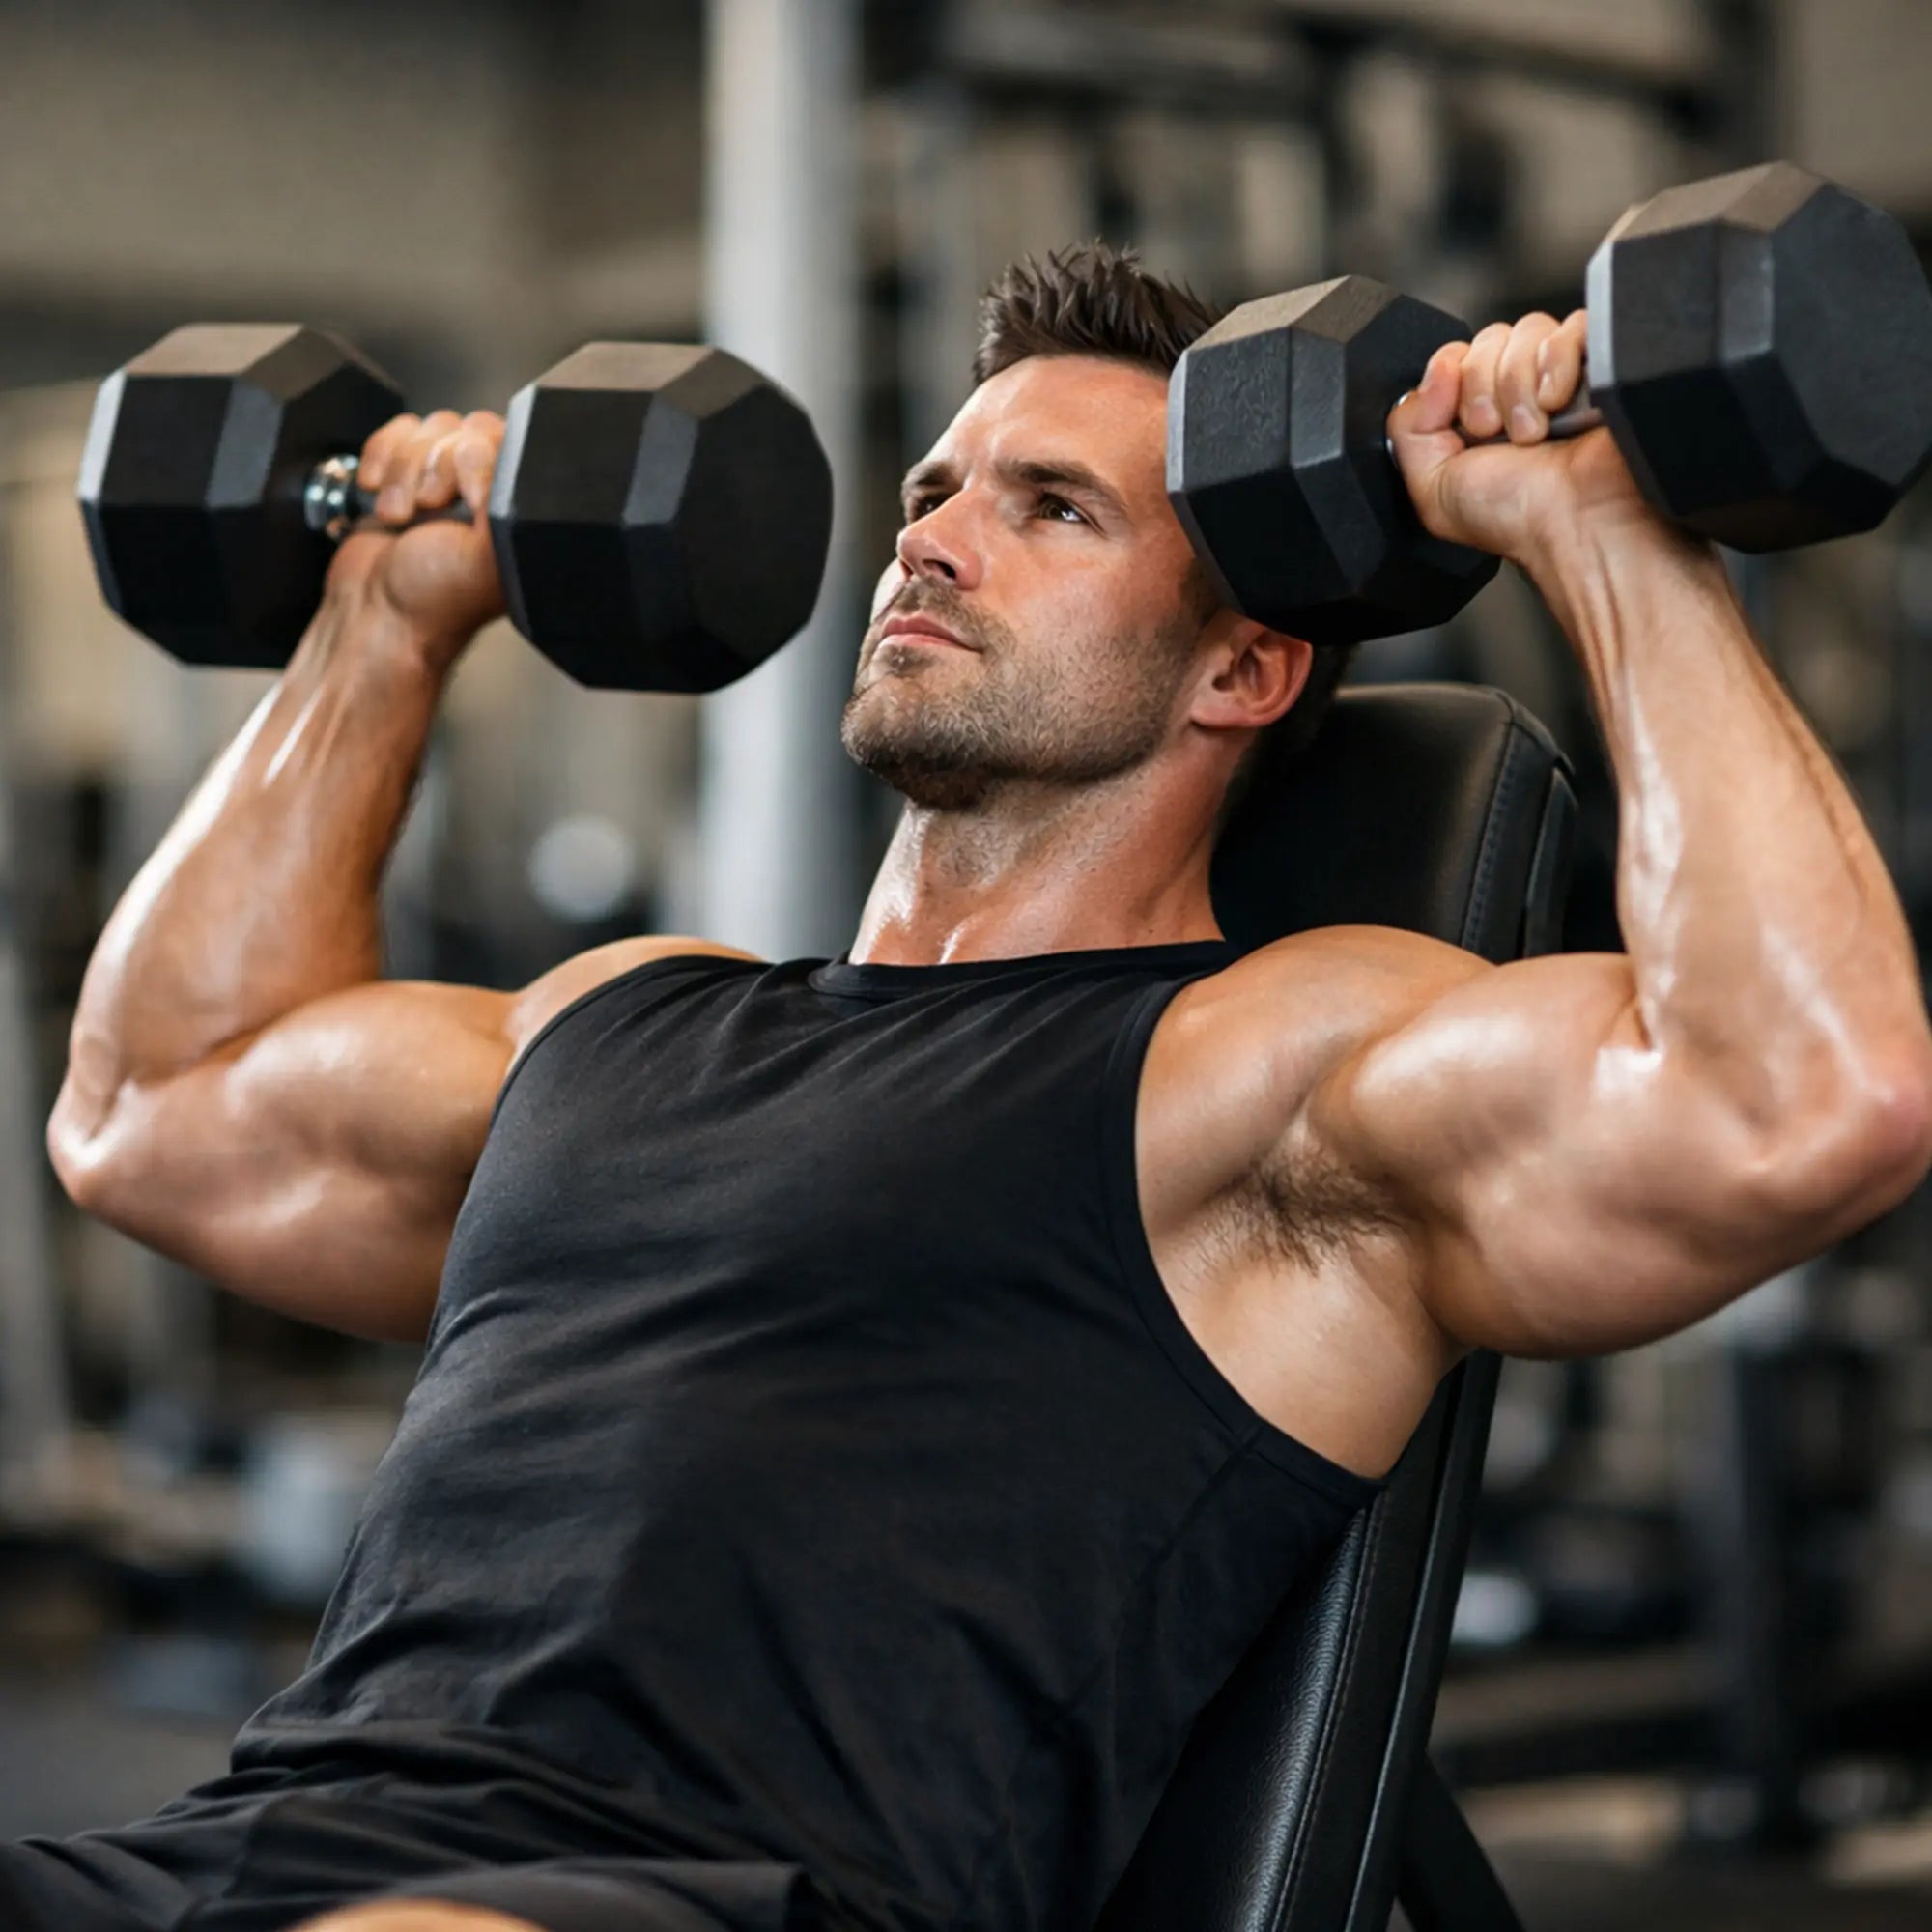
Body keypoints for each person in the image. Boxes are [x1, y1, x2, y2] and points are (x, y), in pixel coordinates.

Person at [17, 244, 1932, 1932]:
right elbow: (154, 1106)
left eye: (1049, 509)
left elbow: (1797, 1097)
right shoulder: (621, 1021)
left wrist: (1601, 529)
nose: (930, 536)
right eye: (935, 488)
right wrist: (385, 616)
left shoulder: (1254, 1075)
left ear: (1243, 673)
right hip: (249, 1851)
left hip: (709, 1892)